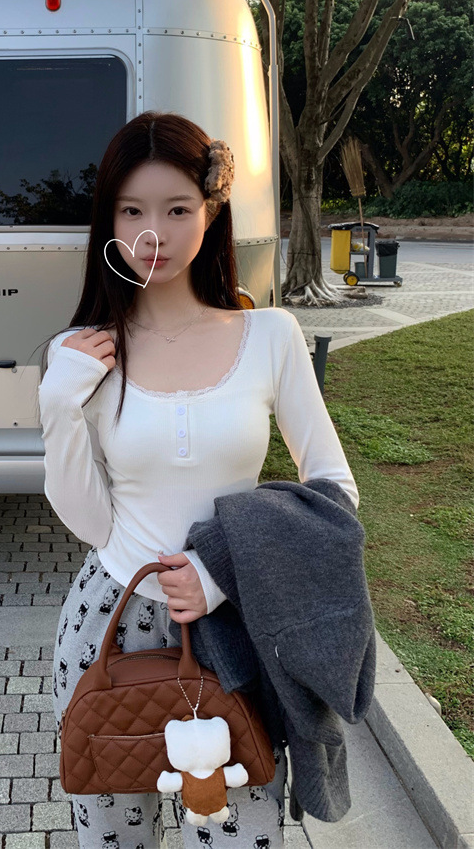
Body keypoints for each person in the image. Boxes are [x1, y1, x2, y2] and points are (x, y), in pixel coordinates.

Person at [37, 111, 359, 849]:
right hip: (110, 621)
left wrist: (219, 569)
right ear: (108, 221)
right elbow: (91, 524)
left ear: (211, 214)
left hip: (234, 624)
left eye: (178, 209)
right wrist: (58, 403)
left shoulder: (269, 336)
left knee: (240, 828)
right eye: (132, 211)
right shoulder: (82, 352)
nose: (154, 233)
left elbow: (334, 487)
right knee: (114, 835)